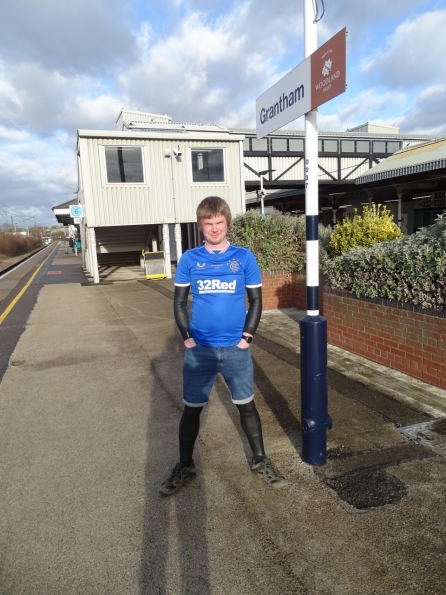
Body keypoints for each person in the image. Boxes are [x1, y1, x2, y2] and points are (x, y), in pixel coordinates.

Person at [160, 196, 287, 496]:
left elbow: (255, 301)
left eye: (219, 222)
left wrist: (247, 338)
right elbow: (178, 302)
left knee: (247, 406)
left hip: (235, 349)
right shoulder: (191, 259)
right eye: (208, 223)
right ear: (201, 225)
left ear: (227, 222)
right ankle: (185, 465)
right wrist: (187, 337)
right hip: (200, 350)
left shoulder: (244, 258)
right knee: (192, 411)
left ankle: (260, 460)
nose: (214, 228)